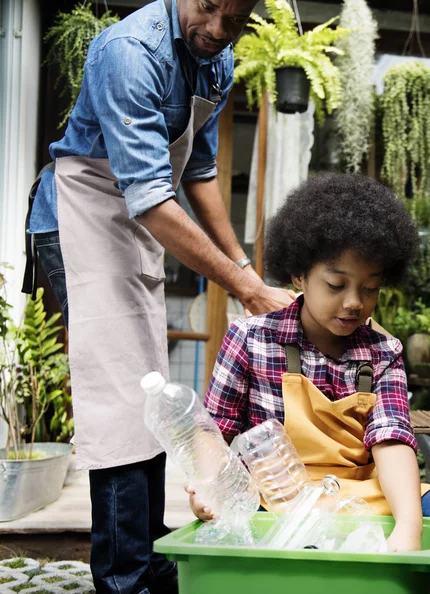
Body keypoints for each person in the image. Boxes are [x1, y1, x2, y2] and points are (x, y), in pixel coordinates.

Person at [23, 1, 293, 593]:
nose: (219, 29)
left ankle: (146, 556)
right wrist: (243, 287)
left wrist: (247, 272)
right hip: (82, 216)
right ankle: (125, 577)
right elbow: (149, 196)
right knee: (120, 400)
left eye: (237, 17)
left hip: (137, 219)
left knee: (149, 396)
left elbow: (196, 173)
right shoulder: (130, 51)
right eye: (208, 6)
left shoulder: (214, 58)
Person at [189, 173, 430, 554]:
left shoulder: (383, 353)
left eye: (370, 288)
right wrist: (209, 485)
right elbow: (212, 432)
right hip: (275, 493)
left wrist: (408, 525)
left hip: (359, 491)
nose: (354, 302)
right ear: (299, 274)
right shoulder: (251, 339)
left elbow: (392, 441)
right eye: (337, 285)